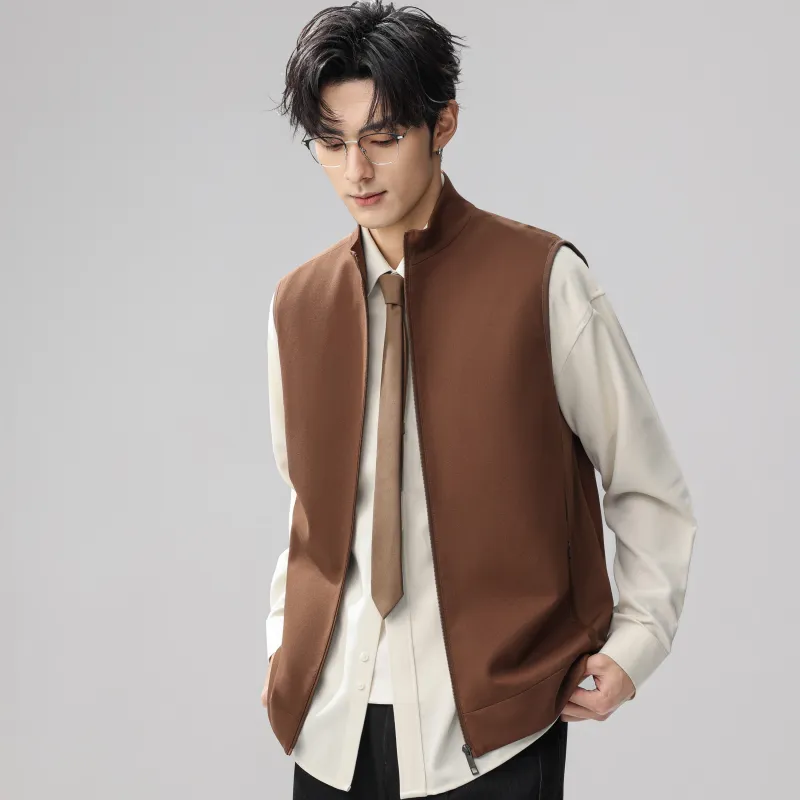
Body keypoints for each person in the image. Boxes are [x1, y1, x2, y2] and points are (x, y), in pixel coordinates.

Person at [260, 2, 698, 798]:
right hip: (331, 726)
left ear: (444, 124)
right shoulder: (297, 305)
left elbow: (646, 481)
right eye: (332, 142)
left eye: (383, 137)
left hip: (493, 730)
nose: (357, 171)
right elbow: (309, 510)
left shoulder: (544, 281)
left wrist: (636, 643)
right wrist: (281, 650)